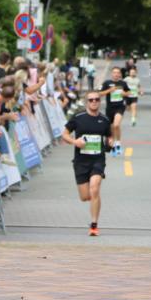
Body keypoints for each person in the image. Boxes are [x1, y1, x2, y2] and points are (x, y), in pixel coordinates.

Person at [62, 91, 114, 236]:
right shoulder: (78, 118)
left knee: (95, 188)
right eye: (91, 100)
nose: (94, 102)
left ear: (100, 101)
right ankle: (94, 201)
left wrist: (110, 142)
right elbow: (64, 134)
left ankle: (94, 225)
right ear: (86, 102)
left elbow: (110, 136)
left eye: (97, 99)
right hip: (81, 161)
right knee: (85, 196)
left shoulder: (104, 120)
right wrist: (75, 142)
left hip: (98, 160)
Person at [97, 66, 130, 156]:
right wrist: (109, 90)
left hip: (120, 107)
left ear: (120, 74)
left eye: (118, 73)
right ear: (112, 74)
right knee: (111, 128)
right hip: (110, 108)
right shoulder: (107, 83)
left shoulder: (123, 83)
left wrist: (124, 93)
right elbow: (99, 93)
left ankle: (118, 143)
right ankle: (113, 145)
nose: (116, 74)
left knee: (116, 125)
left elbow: (129, 92)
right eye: (114, 72)